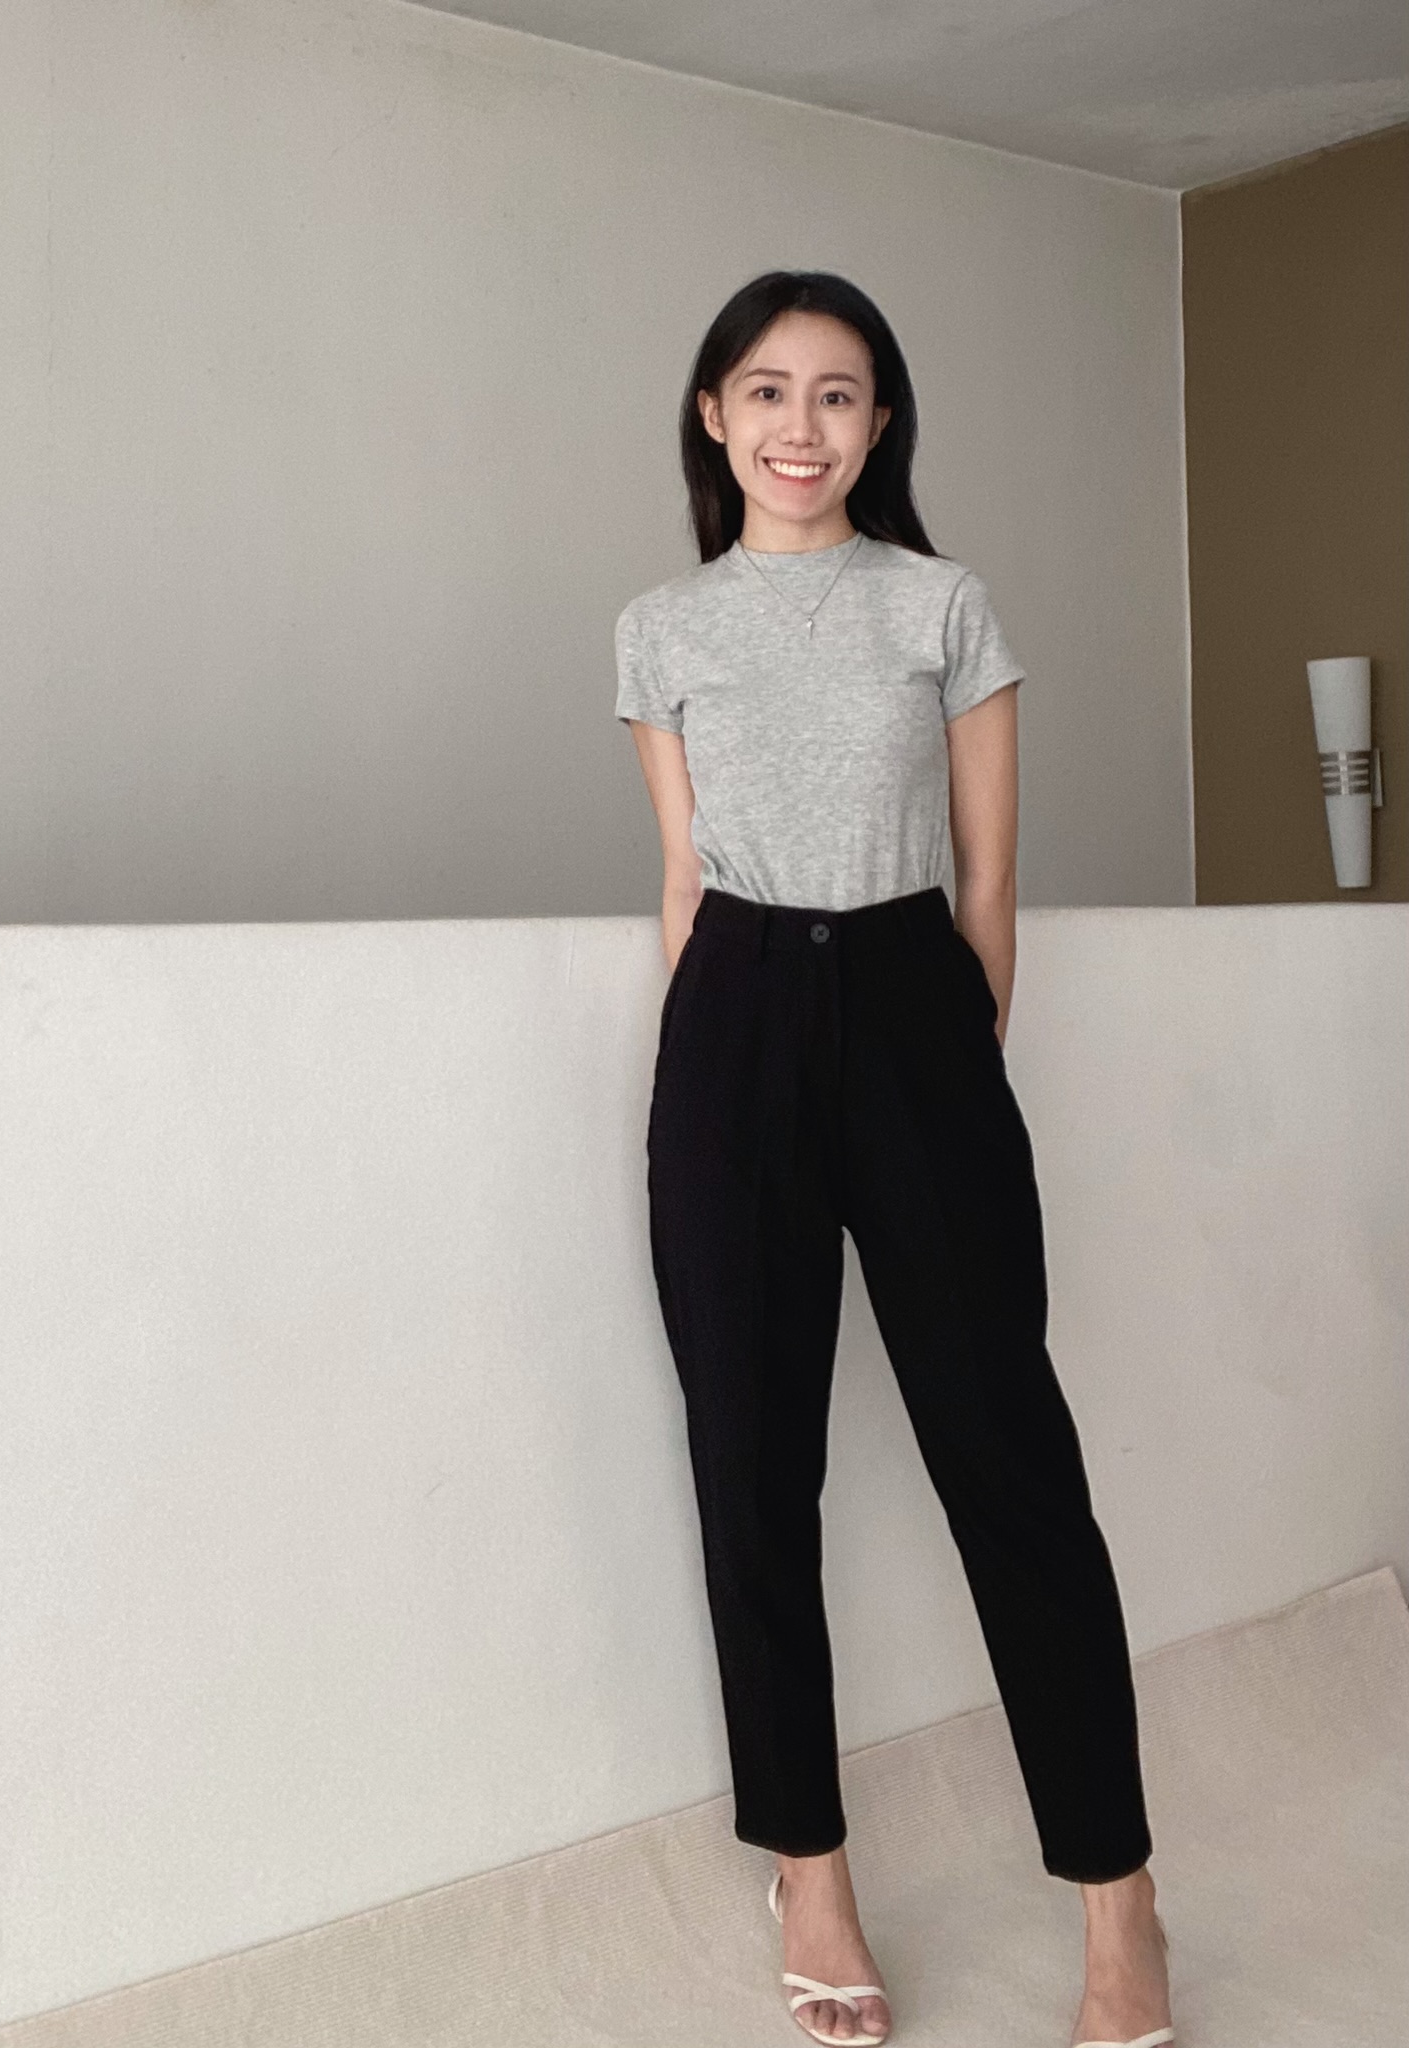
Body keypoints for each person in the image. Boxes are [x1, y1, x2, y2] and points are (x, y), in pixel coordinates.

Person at [614, 271, 1175, 2048]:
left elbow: (989, 881)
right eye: (769, 391)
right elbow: (686, 879)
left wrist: (947, 1056)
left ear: (879, 422)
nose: (803, 426)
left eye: (840, 393)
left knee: (1010, 1459)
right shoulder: (661, 627)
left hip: (915, 1017)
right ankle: (813, 1875)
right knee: (751, 1470)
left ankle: (1120, 1902)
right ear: (714, 416)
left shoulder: (941, 604)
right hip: (733, 1023)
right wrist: (717, 1056)